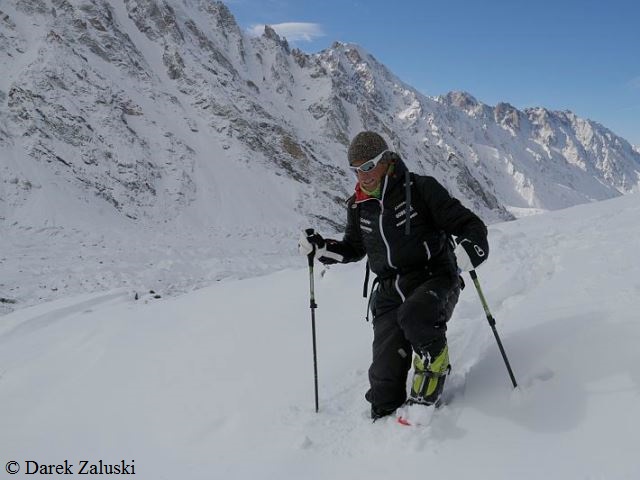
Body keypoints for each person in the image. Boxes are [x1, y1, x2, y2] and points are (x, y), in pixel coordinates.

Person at [298, 131, 489, 420]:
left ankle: (434, 364)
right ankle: (386, 414)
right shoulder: (358, 206)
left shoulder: (421, 189)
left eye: (367, 166)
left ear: (386, 160)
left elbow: (469, 224)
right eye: (355, 169)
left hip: (435, 277)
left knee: (414, 314)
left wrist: (472, 249)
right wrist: (320, 248)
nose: (362, 175)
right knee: (384, 391)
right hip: (389, 290)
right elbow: (352, 249)